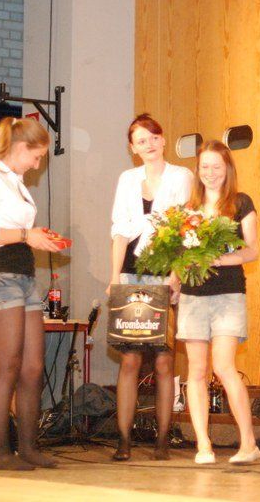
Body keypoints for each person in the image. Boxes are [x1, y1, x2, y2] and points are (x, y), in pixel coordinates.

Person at [0, 117, 64, 471]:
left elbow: (16, 229)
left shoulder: (16, 182)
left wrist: (36, 235)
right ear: (21, 148)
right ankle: (0, 453)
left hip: (24, 277)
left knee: (33, 367)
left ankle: (29, 447)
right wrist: (25, 236)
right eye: (36, 157)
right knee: (7, 366)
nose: (37, 165)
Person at [108, 113, 193, 461]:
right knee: (129, 360)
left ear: (163, 139)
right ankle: (123, 440)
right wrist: (114, 277)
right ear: (133, 148)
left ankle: (162, 440)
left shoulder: (181, 176)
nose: (149, 145)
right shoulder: (127, 179)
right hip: (131, 275)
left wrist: (176, 275)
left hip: (164, 276)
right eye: (141, 141)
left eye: (154, 137)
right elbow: (119, 231)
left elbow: (186, 229)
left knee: (163, 363)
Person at [174, 140, 260, 465]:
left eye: (217, 167)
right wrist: (174, 277)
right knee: (196, 370)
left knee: (224, 366)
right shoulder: (186, 210)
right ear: (197, 170)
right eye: (205, 167)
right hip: (193, 296)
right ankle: (203, 445)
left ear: (228, 169)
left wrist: (220, 260)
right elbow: (179, 255)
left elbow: (252, 250)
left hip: (228, 293)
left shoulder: (240, 203)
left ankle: (249, 444)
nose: (210, 173)